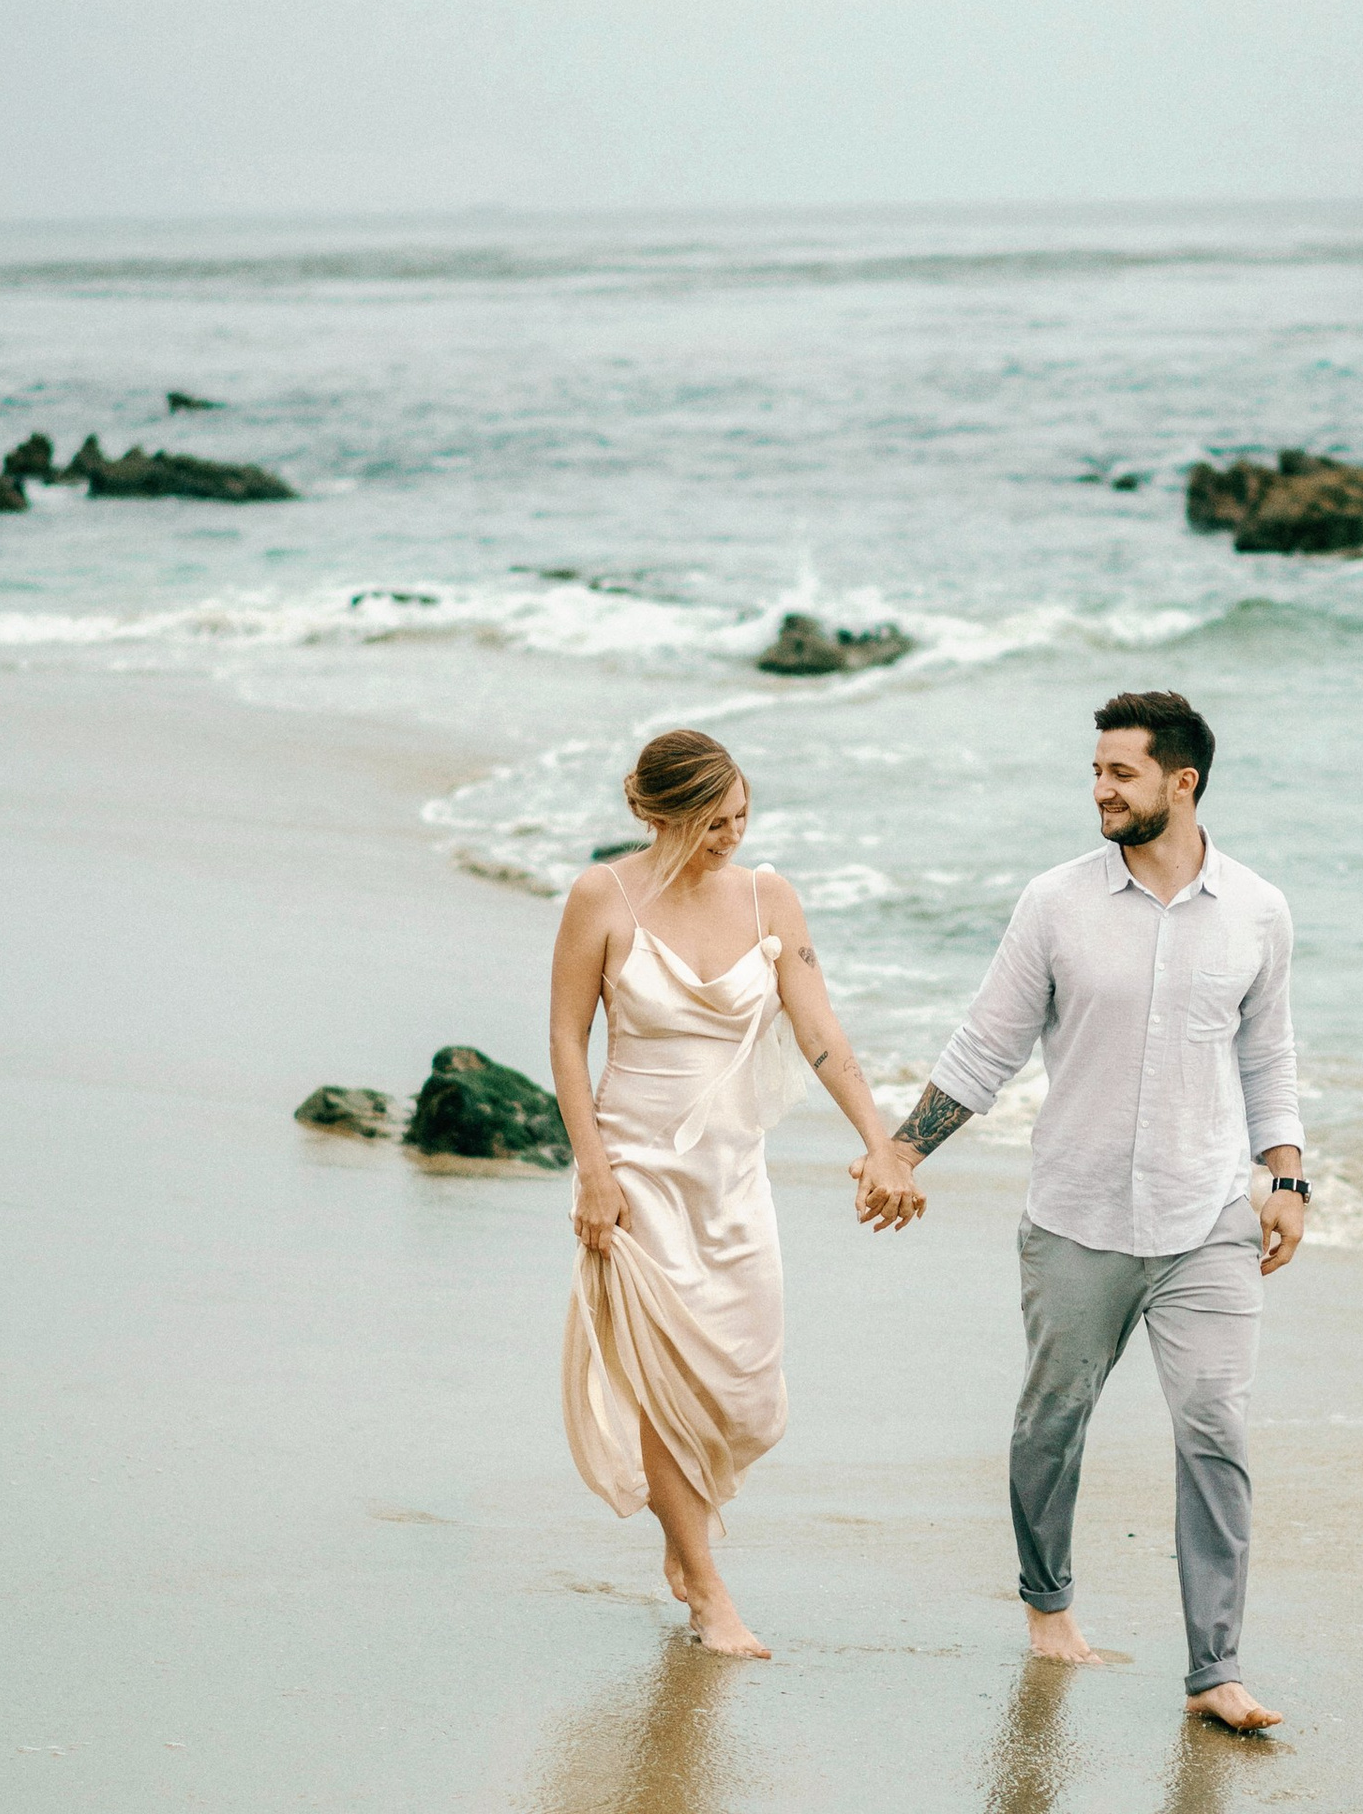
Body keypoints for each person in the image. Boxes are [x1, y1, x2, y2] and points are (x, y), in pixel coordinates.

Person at [853, 690, 1306, 1732]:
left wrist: (1284, 1176)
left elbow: (1268, 1052)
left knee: (1214, 1426)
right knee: (1053, 1422)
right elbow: (987, 1047)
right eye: (1095, 771)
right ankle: (1048, 1602)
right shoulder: (1056, 903)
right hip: (1077, 1216)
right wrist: (899, 1153)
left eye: (1120, 773)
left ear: (1180, 783)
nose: (1098, 789)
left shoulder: (1258, 911)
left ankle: (1215, 1669)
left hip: (1207, 1219)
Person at [550, 728, 915, 1658]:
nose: (731, 838)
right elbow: (566, 1038)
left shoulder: (769, 896)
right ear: (660, 817)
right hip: (636, 1173)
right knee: (664, 1379)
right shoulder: (604, 896)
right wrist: (592, 1171)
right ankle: (709, 1592)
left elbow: (820, 1028)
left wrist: (883, 1144)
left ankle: (687, 1533)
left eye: (742, 817)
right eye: (712, 824)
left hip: (732, 1173)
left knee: (748, 1396)